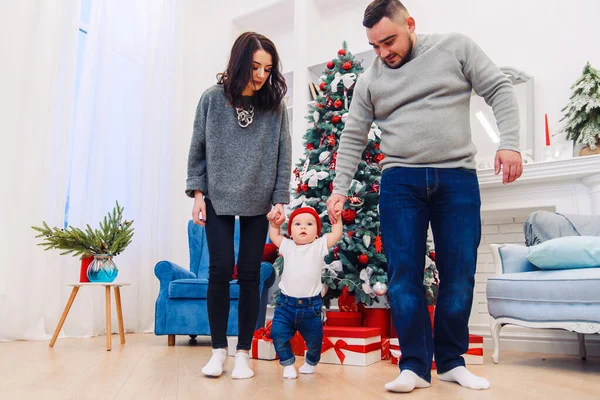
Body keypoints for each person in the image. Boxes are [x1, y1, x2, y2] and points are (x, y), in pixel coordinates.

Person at [326, 0, 523, 393]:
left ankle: (451, 361)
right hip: (400, 183)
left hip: (457, 179)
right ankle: (414, 365)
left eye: (389, 41)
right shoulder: (370, 80)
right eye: (375, 46)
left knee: (460, 272)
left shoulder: (455, 47)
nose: (383, 53)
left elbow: (499, 87)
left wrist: (511, 143)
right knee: (403, 276)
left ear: (410, 24)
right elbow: (352, 135)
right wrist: (339, 187)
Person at [186, 31, 291, 380]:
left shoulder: (274, 105)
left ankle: (243, 353)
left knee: (249, 275)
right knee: (219, 270)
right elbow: (197, 149)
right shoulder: (212, 99)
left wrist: (279, 200)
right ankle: (219, 351)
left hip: (259, 201)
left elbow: (282, 155)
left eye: (268, 68)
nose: (261, 75)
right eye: (256, 66)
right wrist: (198, 193)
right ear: (240, 62)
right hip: (217, 196)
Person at [267, 206, 343, 379]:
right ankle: (287, 363)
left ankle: (311, 362)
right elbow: (274, 235)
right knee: (277, 334)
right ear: (291, 232)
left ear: (317, 233)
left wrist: (337, 219)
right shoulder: (287, 245)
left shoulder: (319, 245)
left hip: (311, 308)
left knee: (315, 341)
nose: (303, 227)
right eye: (298, 224)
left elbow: (336, 234)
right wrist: (274, 223)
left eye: (309, 224)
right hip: (286, 305)